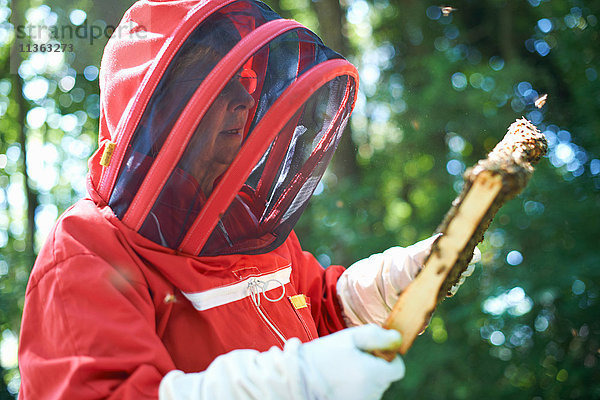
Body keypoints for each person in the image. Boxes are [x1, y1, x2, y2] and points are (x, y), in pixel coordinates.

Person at [17, 1, 477, 399]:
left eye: (245, 79)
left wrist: (392, 281)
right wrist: (288, 386)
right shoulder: (86, 250)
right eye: (215, 82)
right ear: (159, 110)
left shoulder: (245, 219)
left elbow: (318, 310)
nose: (244, 99)